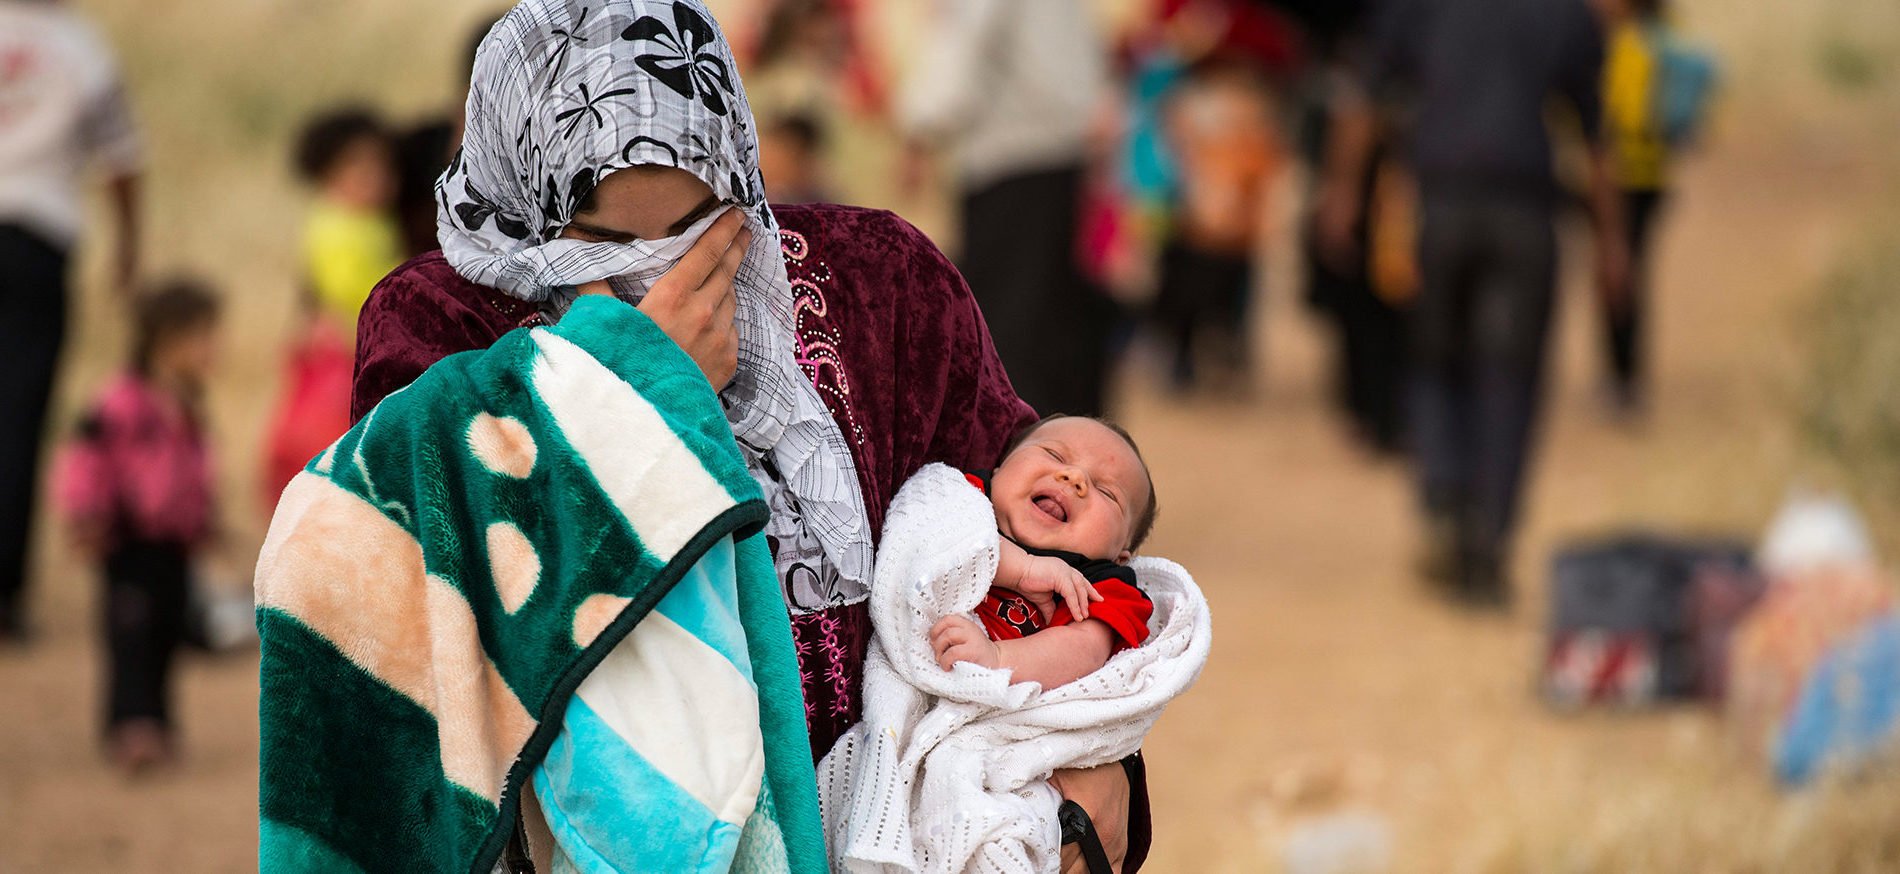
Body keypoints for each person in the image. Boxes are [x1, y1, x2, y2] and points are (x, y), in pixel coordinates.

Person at [327, 1, 1146, 870]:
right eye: (602, 243)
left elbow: (1053, 542)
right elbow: (426, 612)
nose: (662, 271)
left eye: (698, 226)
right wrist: (640, 380)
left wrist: (1106, 770)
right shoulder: (438, 323)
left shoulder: (883, 280)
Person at [1320, 0, 1629, 606]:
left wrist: (1343, 192)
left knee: (1434, 360)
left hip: (1442, 205)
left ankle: (1444, 499)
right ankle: (1490, 533)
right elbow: (1597, 137)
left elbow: (1365, 98)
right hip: (1526, 214)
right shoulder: (1567, 13)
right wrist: (1613, 243)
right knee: (1511, 374)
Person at [0, 0, 143, 641]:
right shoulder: (80, 45)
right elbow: (122, 155)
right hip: (37, 238)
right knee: (17, 415)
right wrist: (129, 244)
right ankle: (4, 592)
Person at [899, 0, 1118, 418]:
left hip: (1010, 152)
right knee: (1046, 308)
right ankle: (1056, 430)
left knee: (1009, 318)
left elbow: (965, 46)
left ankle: (1018, 433)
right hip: (1059, 148)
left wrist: (922, 127)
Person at [52, 281, 219, 774]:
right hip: (128, 542)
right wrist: (85, 513)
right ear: (165, 339)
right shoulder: (122, 401)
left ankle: (159, 721)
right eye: (202, 337)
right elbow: (86, 457)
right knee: (131, 633)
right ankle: (130, 724)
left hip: (173, 544)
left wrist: (204, 519)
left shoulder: (186, 404)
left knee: (166, 631)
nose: (212, 350)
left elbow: (194, 468)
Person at [932, 415, 1159, 689]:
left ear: (1119, 557)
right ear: (999, 468)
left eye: (1106, 492)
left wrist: (998, 658)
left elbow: (1084, 650)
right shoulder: (962, 496)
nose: (1075, 477)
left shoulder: (1100, 587)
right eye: (1054, 454)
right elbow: (929, 537)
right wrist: (1022, 568)